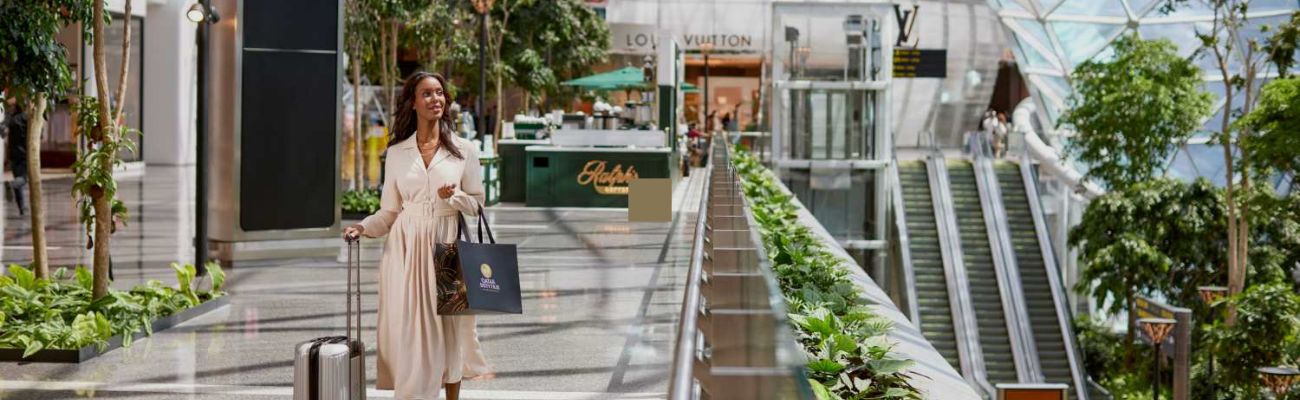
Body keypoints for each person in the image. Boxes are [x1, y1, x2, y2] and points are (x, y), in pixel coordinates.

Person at [343, 71, 490, 400]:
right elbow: (389, 211)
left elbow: (478, 205)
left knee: (450, 326)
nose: (436, 99)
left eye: (440, 93)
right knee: (411, 327)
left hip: (448, 245)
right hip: (406, 249)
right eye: (427, 93)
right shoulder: (397, 152)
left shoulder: (464, 150)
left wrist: (455, 196)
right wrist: (363, 227)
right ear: (413, 102)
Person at [4, 96, 28, 216]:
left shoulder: (12, 118)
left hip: (13, 155)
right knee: (23, 179)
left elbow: (2, 129)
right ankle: (11, 184)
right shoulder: (27, 118)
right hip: (25, 154)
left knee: (18, 179)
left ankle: (22, 208)